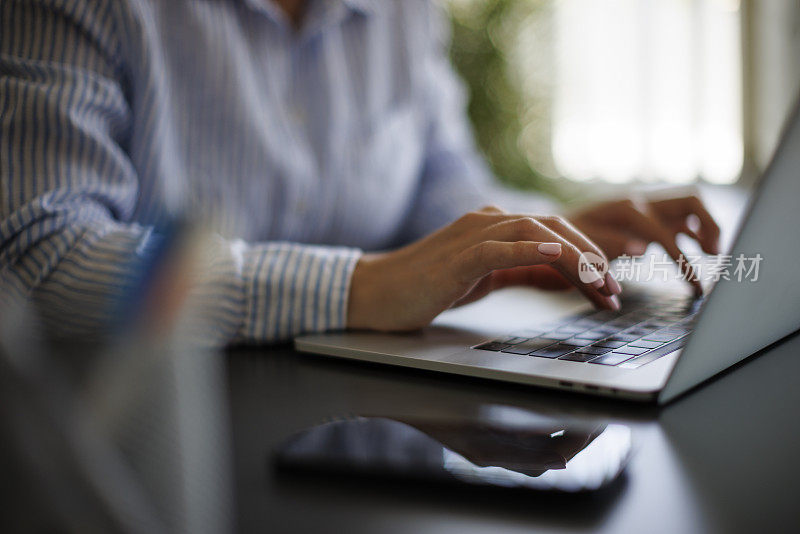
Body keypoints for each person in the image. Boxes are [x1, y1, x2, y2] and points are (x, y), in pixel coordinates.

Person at [0, 0, 720, 345]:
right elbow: (42, 256)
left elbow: (438, 181)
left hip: (355, 428)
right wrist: (362, 286)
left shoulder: (402, 12)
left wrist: (537, 235)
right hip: (150, 453)